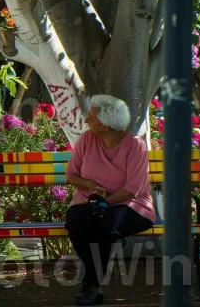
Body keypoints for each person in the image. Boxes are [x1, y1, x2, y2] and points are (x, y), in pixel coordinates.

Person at [65, 95, 155, 306]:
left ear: (106, 126)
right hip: (88, 202)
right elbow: (71, 175)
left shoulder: (135, 145)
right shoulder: (87, 139)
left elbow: (133, 189)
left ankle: (92, 286)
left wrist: (106, 202)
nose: (87, 120)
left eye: (92, 118)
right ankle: (93, 285)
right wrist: (89, 186)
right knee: (75, 223)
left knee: (103, 225)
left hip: (132, 206)